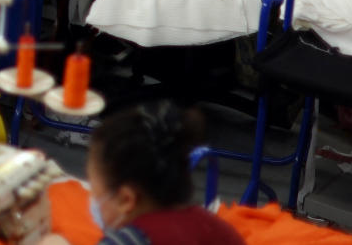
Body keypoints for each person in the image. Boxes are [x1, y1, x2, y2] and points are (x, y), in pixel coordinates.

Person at [40, 102, 245, 245]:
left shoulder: (128, 241)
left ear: (126, 199)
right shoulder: (214, 226)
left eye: (94, 190)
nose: (91, 197)